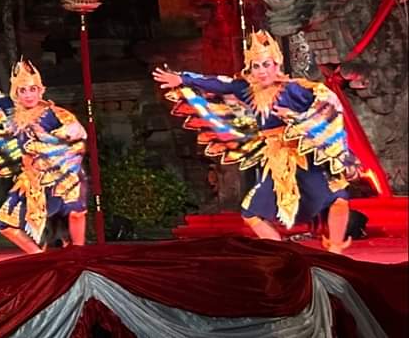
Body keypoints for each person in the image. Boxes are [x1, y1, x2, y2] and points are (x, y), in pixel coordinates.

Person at [152, 29, 359, 253]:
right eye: (256, 66)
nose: (261, 71)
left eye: (266, 64)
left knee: (337, 196)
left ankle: (335, 250)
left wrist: (293, 116)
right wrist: (182, 78)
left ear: (277, 64)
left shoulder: (294, 89)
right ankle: (285, 254)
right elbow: (218, 83)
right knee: (251, 212)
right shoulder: (246, 89)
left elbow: (326, 106)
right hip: (274, 160)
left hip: (302, 154)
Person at [0, 60, 88, 254]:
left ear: (41, 91)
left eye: (33, 89)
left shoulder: (55, 113)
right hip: (32, 181)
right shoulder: (11, 110)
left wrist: (48, 138)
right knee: (5, 223)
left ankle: (80, 255)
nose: (28, 95)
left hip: (62, 176)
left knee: (75, 213)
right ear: (16, 93)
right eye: (23, 90)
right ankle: (39, 258)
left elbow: (77, 133)